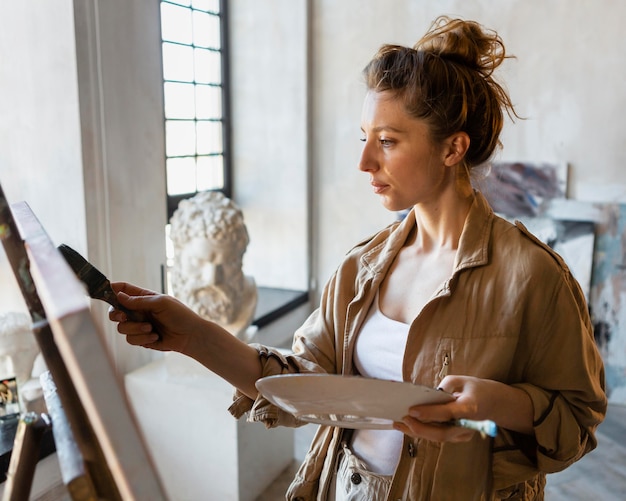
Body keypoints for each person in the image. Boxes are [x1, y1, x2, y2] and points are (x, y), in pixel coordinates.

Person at [109, 16, 607, 500]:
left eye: (387, 142)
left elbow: (577, 421)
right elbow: (302, 381)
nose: (364, 161)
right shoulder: (362, 267)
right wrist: (193, 335)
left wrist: (501, 405)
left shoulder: (532, 275)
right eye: (364, 137)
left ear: (453, 148)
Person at [169, 190, 257, 339]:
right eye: (198, 261)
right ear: (179, 253)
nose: (212, 280)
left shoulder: (249, 294)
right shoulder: (170, 304)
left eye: (227, 263)